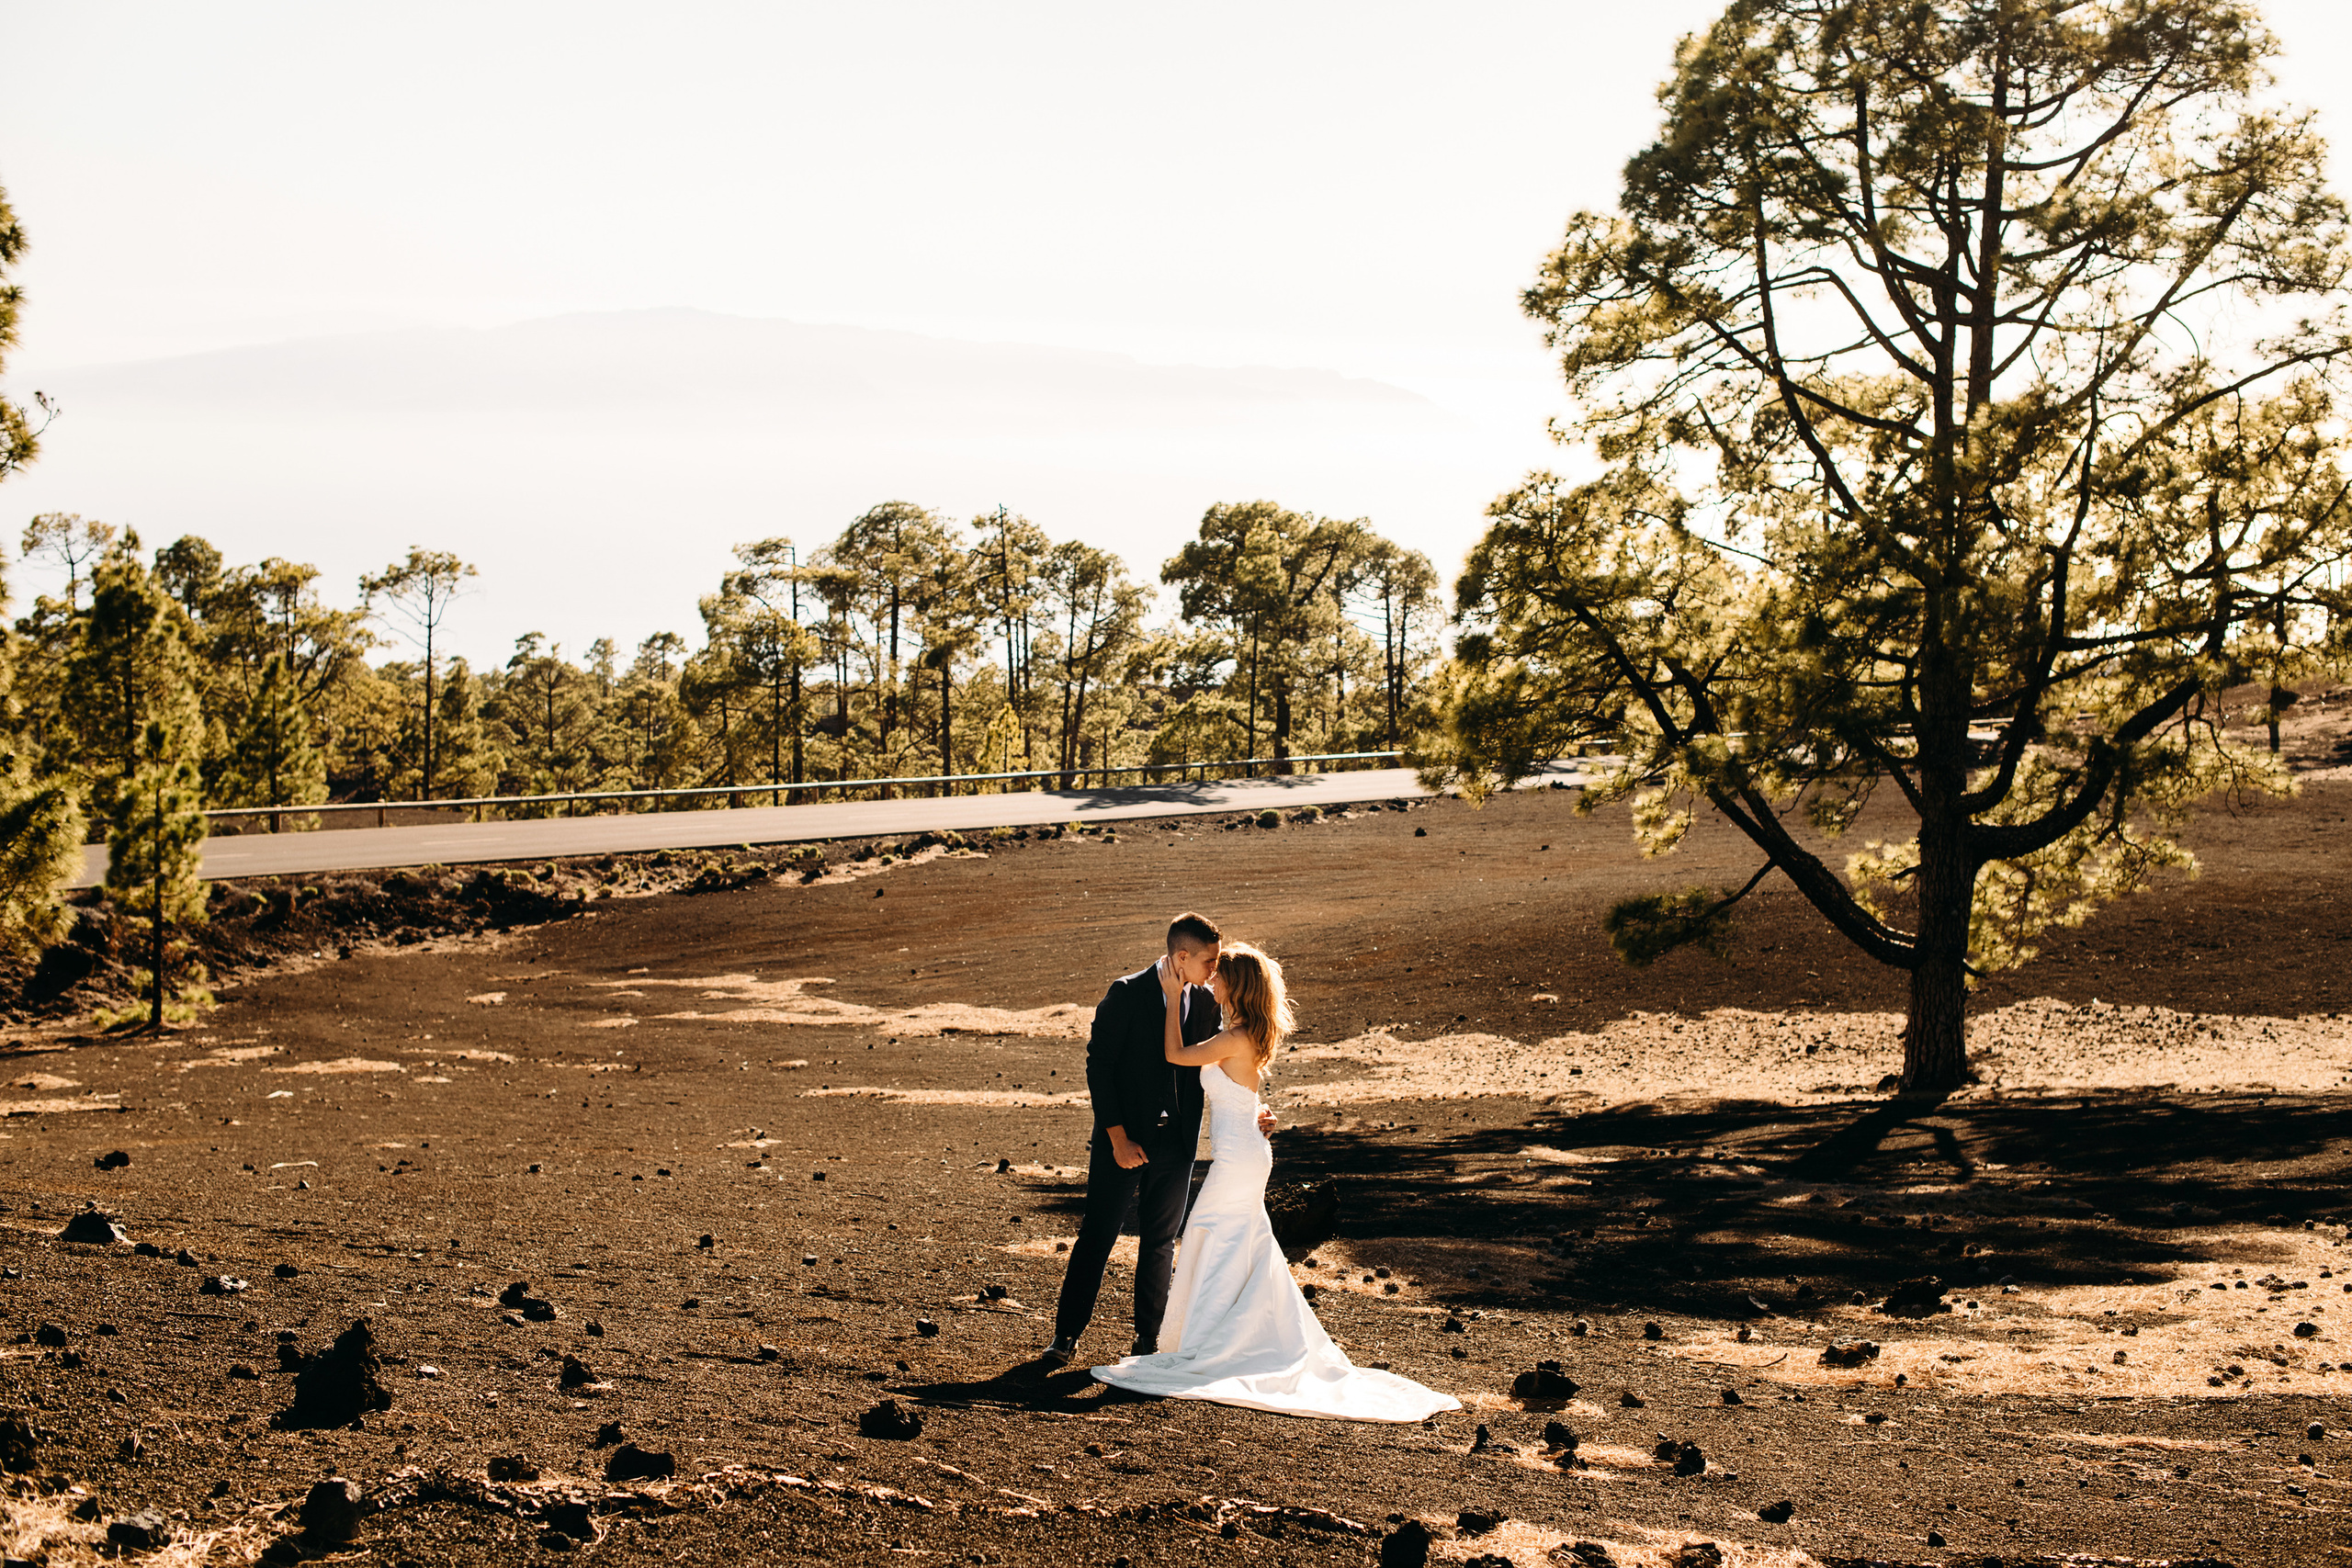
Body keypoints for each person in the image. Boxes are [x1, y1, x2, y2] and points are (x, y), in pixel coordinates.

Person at [1090, 942, 1459, 1422]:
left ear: (1235, 986)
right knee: (1234, 1241)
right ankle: (1219, 1337)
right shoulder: (1238, 1033)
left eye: (1219, 975)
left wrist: (1170, 990)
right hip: (1244, 1150)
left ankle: (1210, 1344)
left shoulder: (1237, 1036)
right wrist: (1262, 1113)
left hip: (1240, 1158)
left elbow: (1174, 1053)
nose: (1212, 981)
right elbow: (1245, 1094)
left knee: (1214, 1236)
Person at [1044, 913, 1269, 1366]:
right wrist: (1117, 1138)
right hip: (1123, 1142)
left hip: (1178, 1145)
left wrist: (1258, 1109)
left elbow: (1229, 1064)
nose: (1214, 970)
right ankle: (1064, 1338)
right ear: (1181, 956)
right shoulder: (1127, 992)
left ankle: (1149, 1341)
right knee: (1098, 1237)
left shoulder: (1207, 1004)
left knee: (1161, 1242)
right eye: (1209, 961)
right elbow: (1099, 1066)